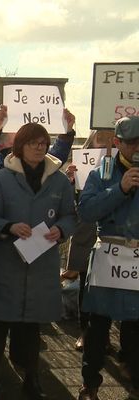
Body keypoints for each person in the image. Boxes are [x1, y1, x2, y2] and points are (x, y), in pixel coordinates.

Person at [0, 103, 77, 372]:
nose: (39, 148)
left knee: (31, 328)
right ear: (20, 146)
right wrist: (8, 227)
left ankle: (31, 378)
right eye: (33, 143)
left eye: (43, 143)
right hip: (8, 261)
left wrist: (61, 230)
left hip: (41, 264)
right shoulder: (2, 177)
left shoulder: (59, 180)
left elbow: (70, 215)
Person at [77, 116, 139, 400]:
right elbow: (87, 211)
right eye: (131, 143)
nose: (137, 148)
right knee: (97, 326)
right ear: (117, 143)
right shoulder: (101, 173)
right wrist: (120, 189)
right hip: (109, 258)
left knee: (135, 329)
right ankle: (90, 384)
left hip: (136, 259)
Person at [62, 130, 110, 352]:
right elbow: (70, 202)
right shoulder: (82, 161)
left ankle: (105, 336)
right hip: (86, 232)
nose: (106, 142)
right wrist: (70, 180)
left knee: (110, 285)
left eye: (111, 137)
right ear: (93, 140)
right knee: (85, 284)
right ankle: (85, 332)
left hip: (111, 232)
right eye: (102, 137)